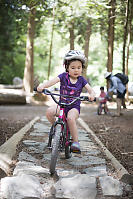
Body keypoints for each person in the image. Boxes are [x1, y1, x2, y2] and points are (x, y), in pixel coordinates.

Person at [37, 50, 95, 153]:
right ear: (67, 67)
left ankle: (76, 142)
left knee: (70, 118)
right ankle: (57, 128)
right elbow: (51, 82)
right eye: (73, 67)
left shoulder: (82, 80)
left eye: (79, 67)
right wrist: (42, 86)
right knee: (49, 112)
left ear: (82, 68)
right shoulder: (63, 76)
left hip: (74, 107)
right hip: (62, 105)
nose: (76, 70)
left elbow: (90, 90)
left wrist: (92, 94)